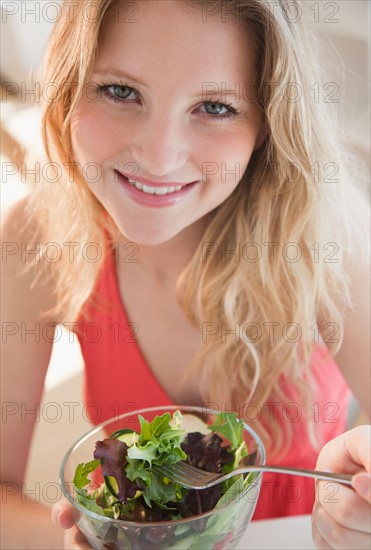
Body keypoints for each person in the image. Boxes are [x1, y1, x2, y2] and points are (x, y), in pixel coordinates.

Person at [1, 0, 370, 548]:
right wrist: (85, 542)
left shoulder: (326, 236)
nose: (159, 156)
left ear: (268, 122)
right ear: (67, 90)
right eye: (120, 91)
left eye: (216, 106)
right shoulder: (36, 236)